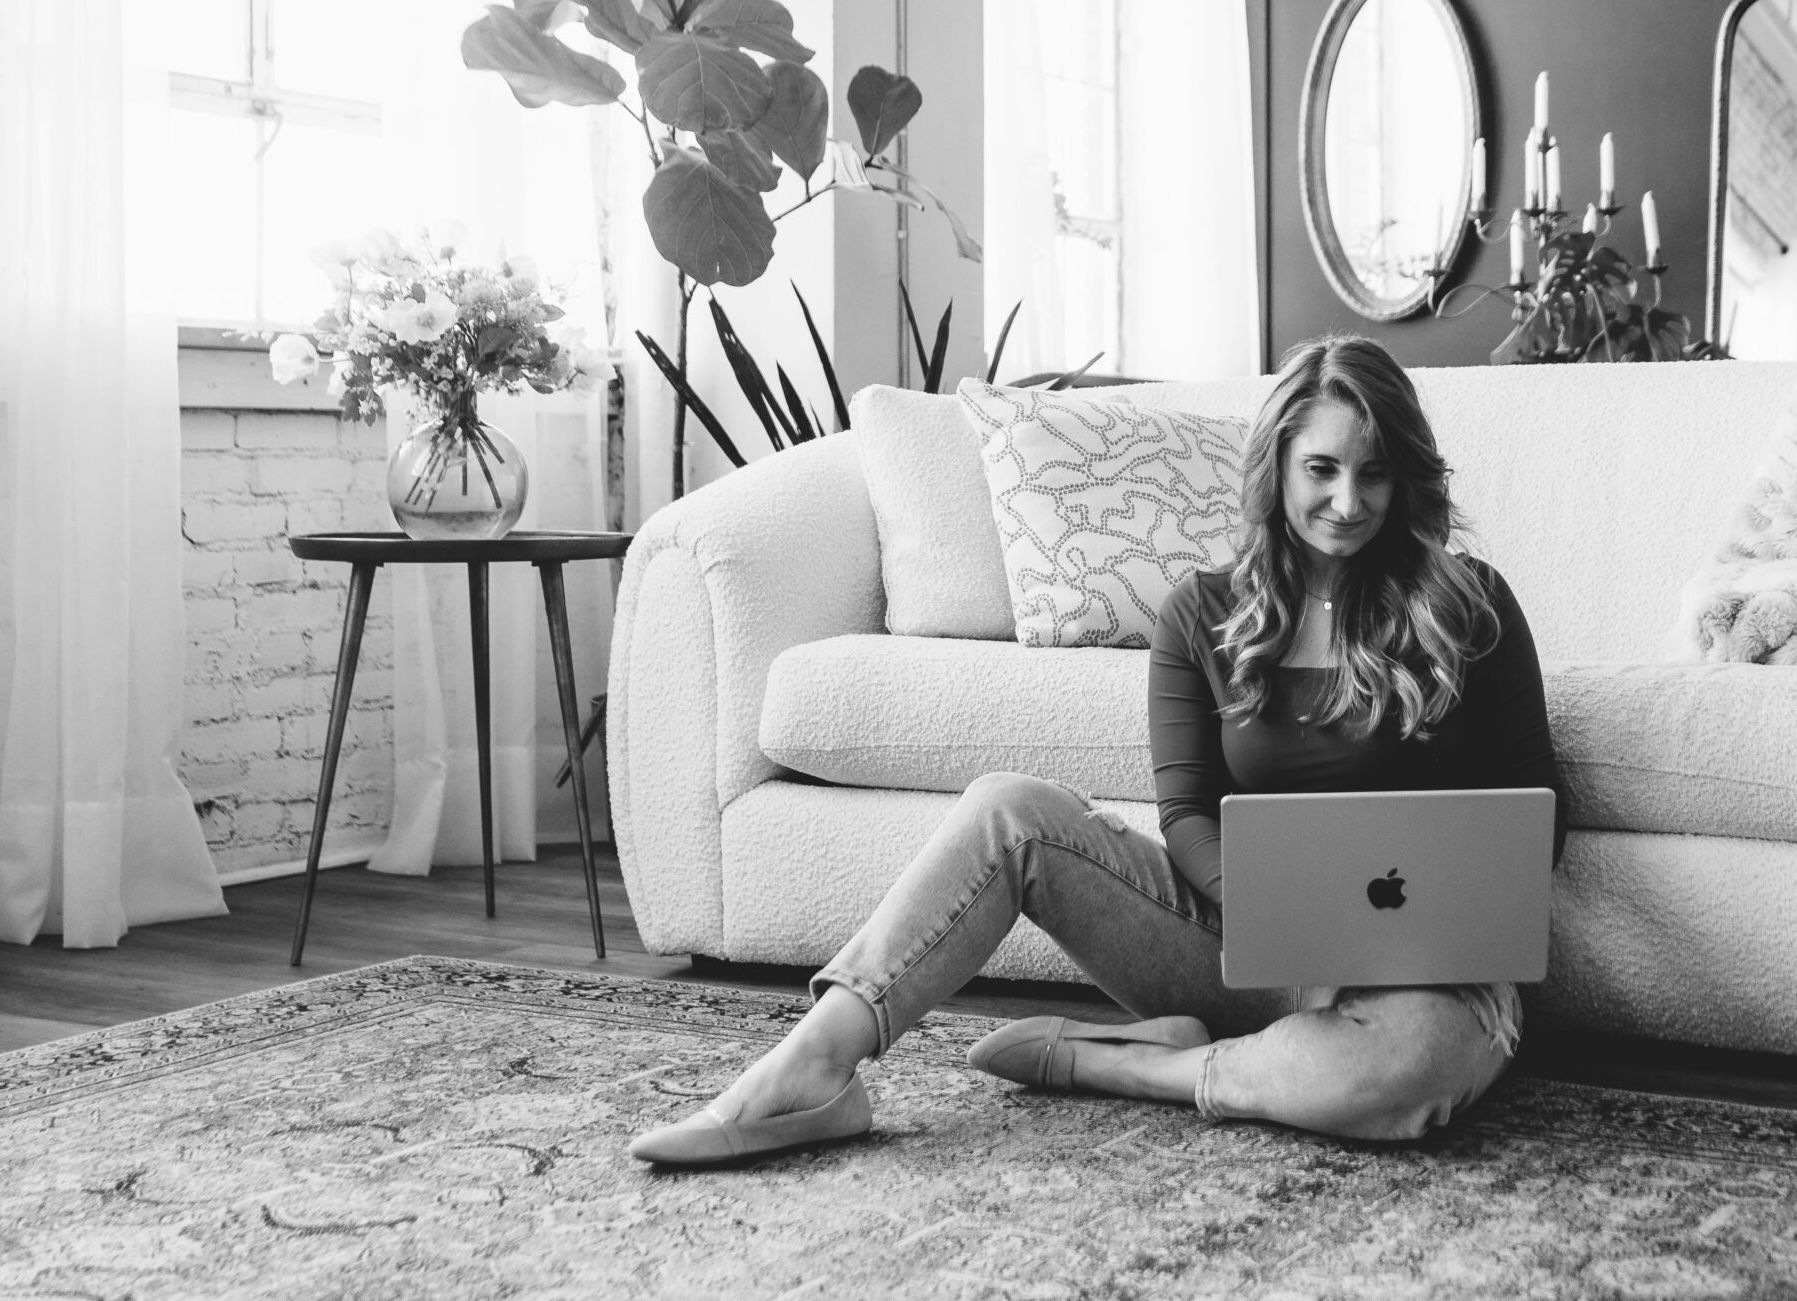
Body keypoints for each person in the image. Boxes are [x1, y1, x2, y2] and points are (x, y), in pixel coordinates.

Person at [628, 334, 1562, 1166]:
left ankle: (1136, 1065)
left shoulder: (1467, 605)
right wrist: (1276, 906)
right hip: (1251, 950)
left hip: (1427, 981)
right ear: (1276, 467)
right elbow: (1188, 813)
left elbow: (1535, 813)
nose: (1347, 501)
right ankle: (814, 1067)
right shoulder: (1203, 611)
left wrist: (1418, 910)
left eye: (1375, 474)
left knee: (1399, 1072)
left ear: (1407, 479)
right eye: (1321, 469)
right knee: (1009, 809)